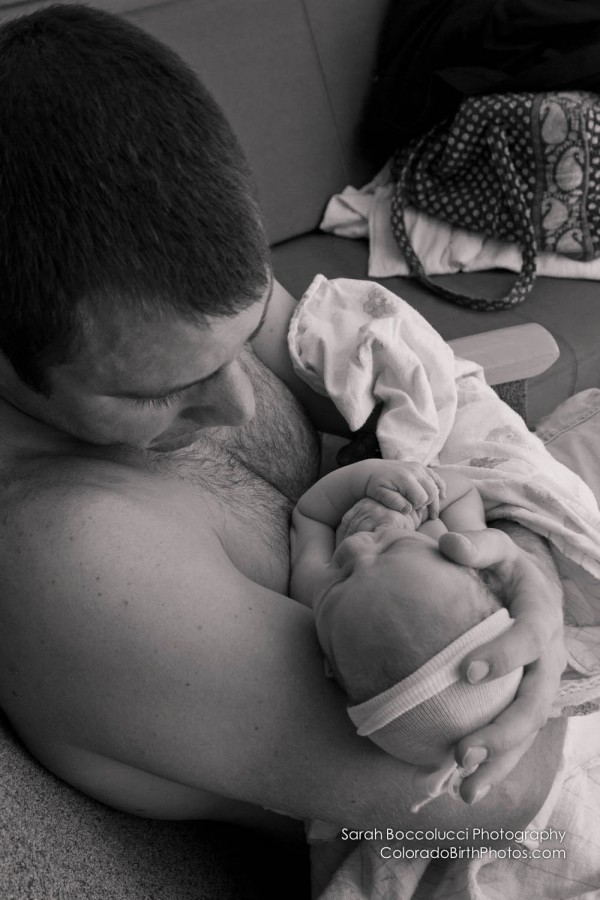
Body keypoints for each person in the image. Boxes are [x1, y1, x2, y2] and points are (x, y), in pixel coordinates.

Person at [0, 1, 566, 851]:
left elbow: (373, 381)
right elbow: (505, 798)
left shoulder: (153, 285)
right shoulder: (74, 558)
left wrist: (514, 541)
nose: (237, 403)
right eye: (165, 392)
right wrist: (535, 591)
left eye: (242, 337)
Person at [291, 459, 522, 817]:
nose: (355, 549)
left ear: (330, 663)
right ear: (475, 573)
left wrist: (363, 478)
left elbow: (310, 515)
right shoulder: (450, 545)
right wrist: (426, 492)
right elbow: (461, 491)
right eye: (391, 549)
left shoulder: (311, 593)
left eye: (343, 576)